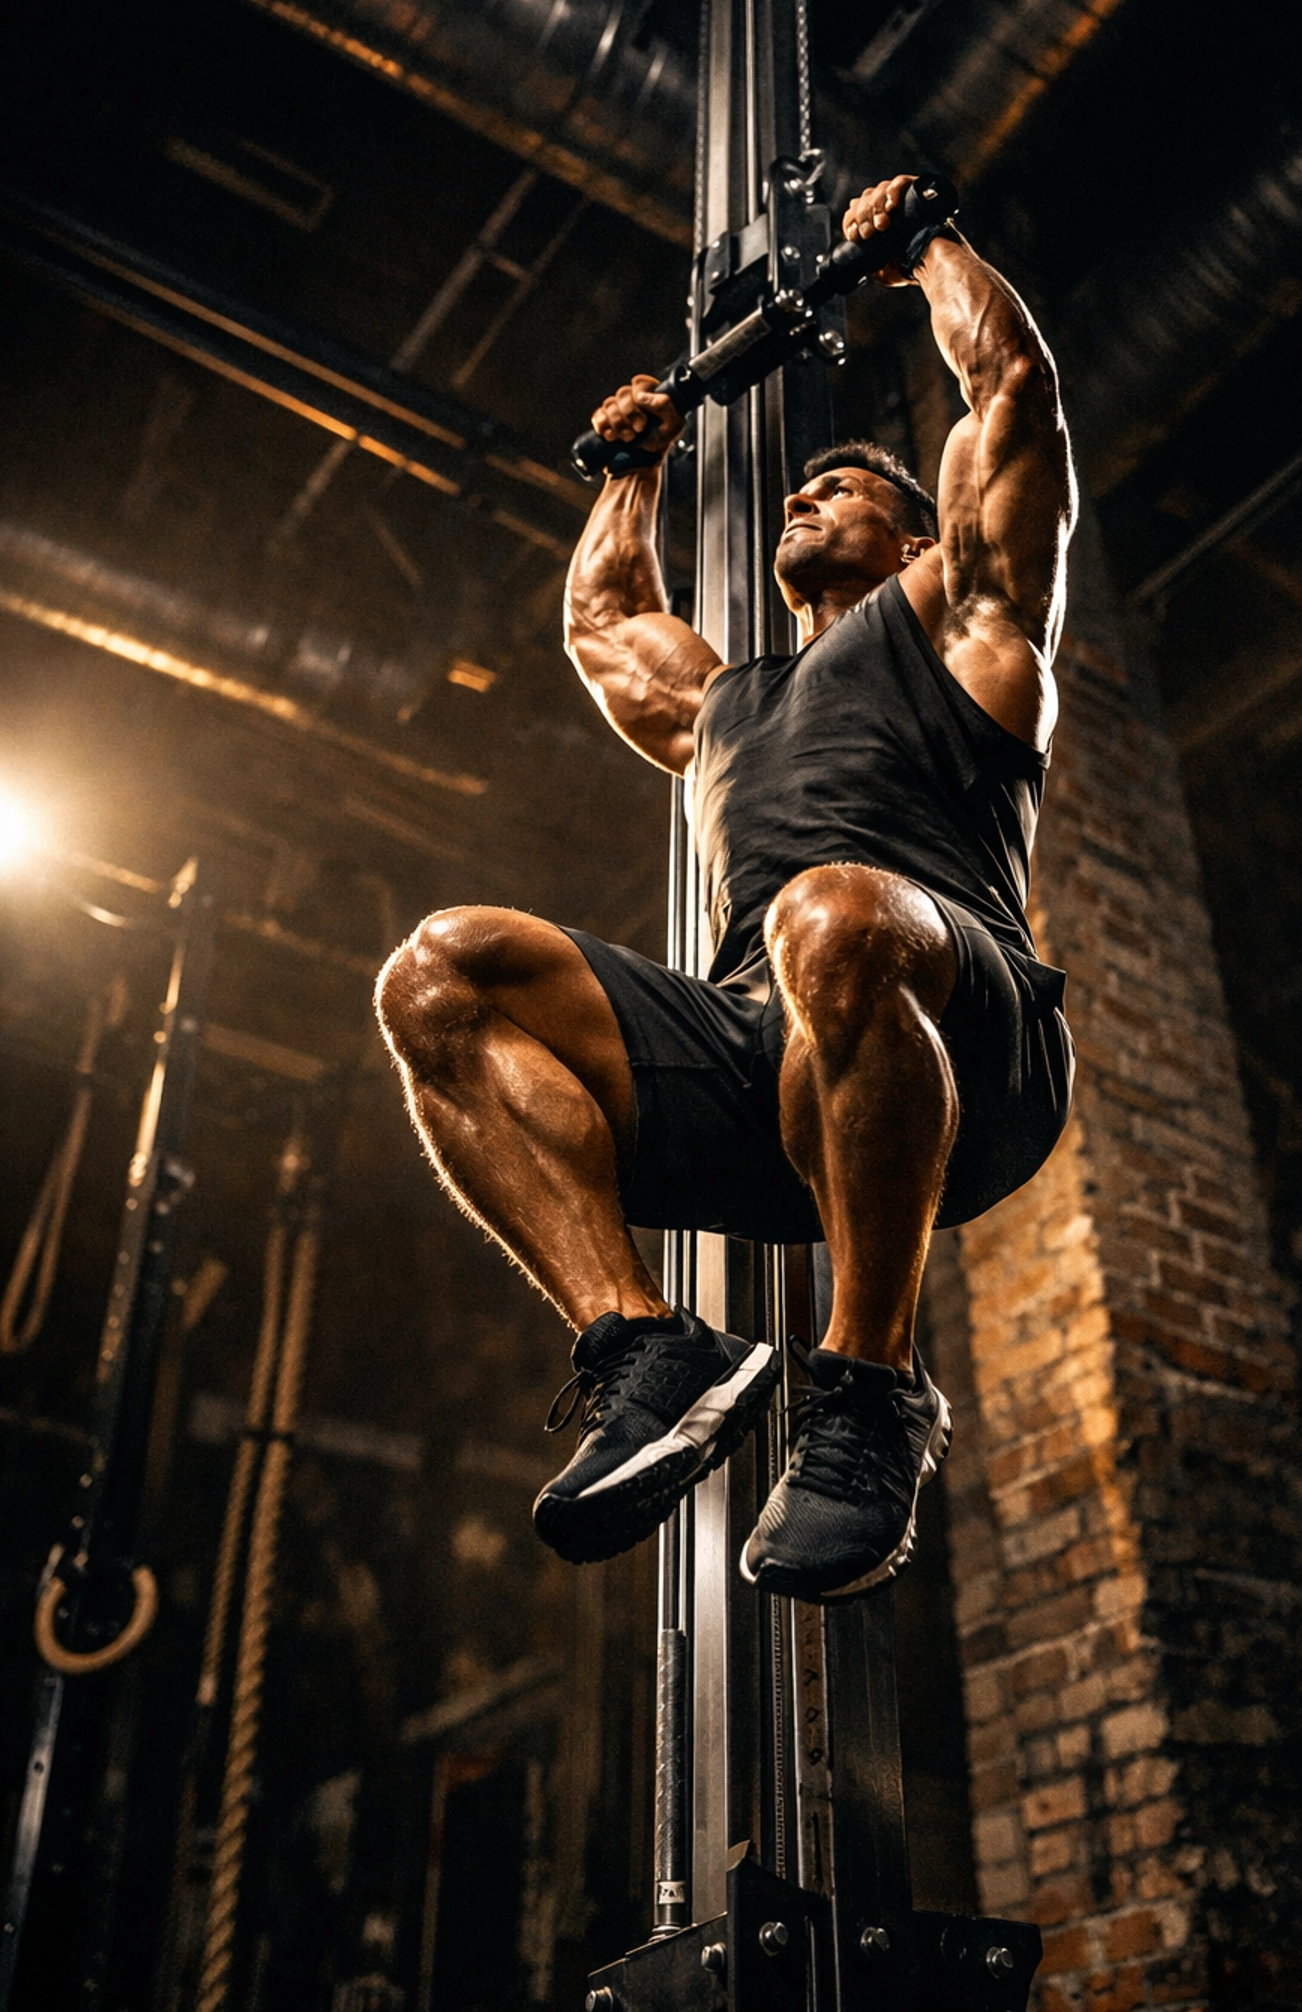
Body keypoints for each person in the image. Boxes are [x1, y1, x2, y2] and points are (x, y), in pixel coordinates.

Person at [376, 173, 1077, 1604]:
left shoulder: (968, 620)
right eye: (800, 491)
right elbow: (607, 619)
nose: (802, 494)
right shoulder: (724, 706)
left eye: (843, 488)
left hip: (972, 1041)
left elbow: (1010, 390)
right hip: (771, 1056)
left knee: (832, 911)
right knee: (440, 969)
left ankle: (872, 1392)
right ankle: (646, 1344)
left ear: (921, 539)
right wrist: (632, 470)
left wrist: (926, 245)